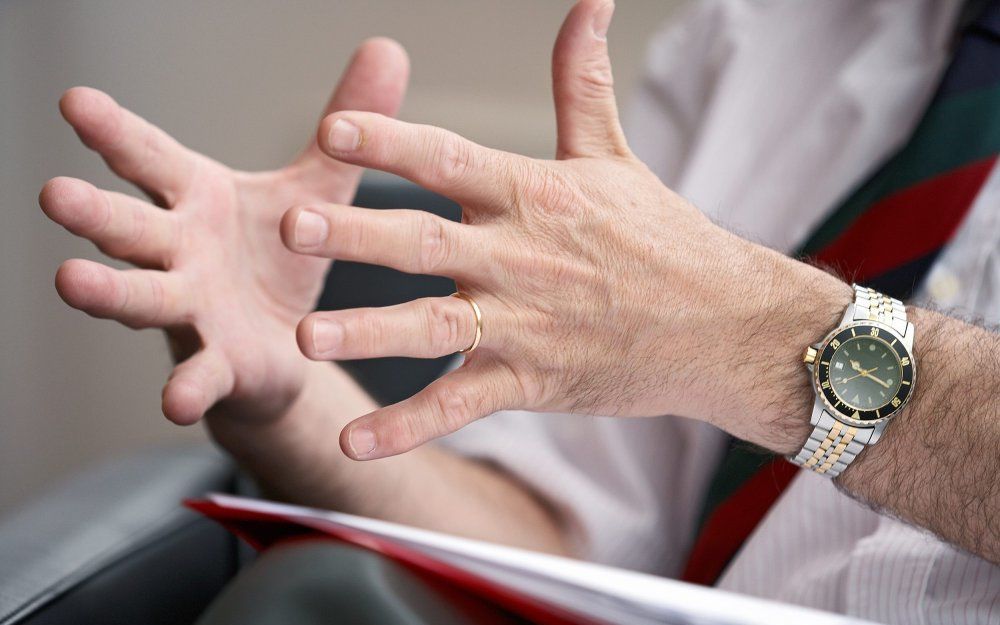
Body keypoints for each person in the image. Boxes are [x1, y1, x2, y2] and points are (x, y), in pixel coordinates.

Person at [38, 0, 998, 623]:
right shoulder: (756, 32)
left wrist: (761, 340)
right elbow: (573, 539)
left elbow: (741, 334)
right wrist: (291, 400)